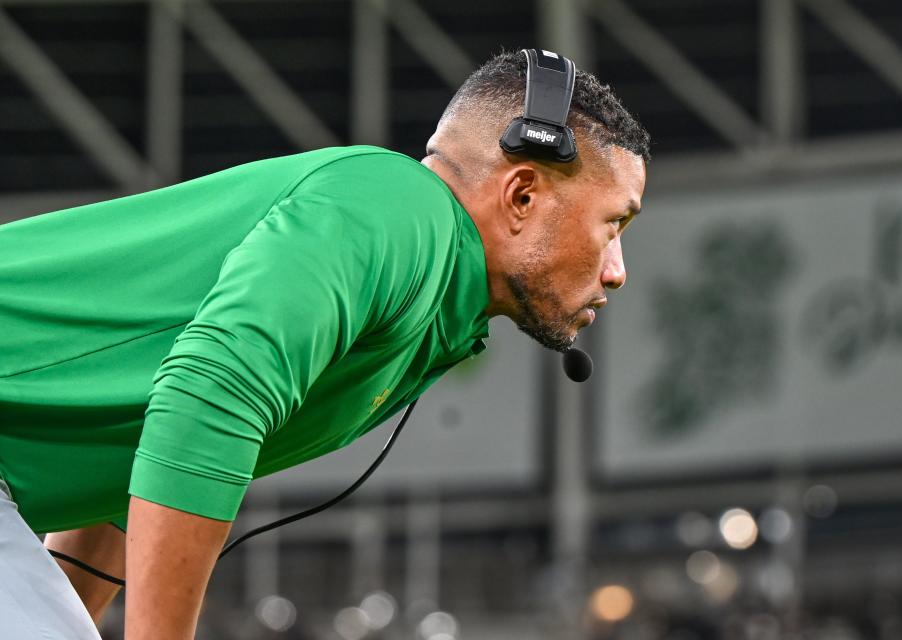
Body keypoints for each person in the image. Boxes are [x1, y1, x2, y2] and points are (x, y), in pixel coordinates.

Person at [0, 49, 649, 639]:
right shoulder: (402, 209)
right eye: (612, 223)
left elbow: (138, 452)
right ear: (523, 193)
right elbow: (208, 399)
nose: (617, 267)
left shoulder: (428, 286)